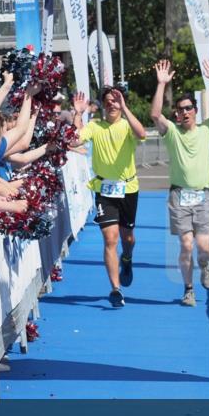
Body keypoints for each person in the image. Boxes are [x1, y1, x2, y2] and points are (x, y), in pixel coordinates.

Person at [150, 59, 209, 306]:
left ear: (195, 110)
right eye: (180, 109)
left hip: (203, 196)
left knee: (204, 247)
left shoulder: (207, 129)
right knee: (186, 245)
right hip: (179, 196)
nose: (184, 112)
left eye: (188, 108)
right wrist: (161, 84)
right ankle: (188, 290)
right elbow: (154, 114)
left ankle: (205, 264)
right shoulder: (172, 132)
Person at [70, 84, 147, 308]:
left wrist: (125, 107)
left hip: (128, 188)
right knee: (110, 238)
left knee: (128, 238)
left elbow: (141, 134)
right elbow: (74, 140)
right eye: (108, 101)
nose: (112, 104)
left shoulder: (127, 126)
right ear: (103, 105)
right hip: (104, 190)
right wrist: (77, 113)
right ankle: (115, 289)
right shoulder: (95, 127)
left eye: (116, 100)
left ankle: (128, 258)